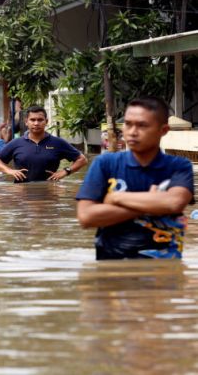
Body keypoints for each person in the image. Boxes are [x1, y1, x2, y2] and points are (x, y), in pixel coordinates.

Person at [76, 96, 194, 260]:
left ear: (163, 130)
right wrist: (155, 202)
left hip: (165, 271)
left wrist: (116, 197)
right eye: (128, 124)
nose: (132, 132)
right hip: (112, 268)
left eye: (142, 125)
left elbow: (174, 203)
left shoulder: (179, 166)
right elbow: (86, 217)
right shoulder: (105, 164)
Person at [0, 105, 87, 182]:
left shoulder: (58, 143)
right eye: (32, 120)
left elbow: (82, 160)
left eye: (40, 120)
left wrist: (65, 171)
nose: (36, 123)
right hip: (21, 195)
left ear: (46, 122)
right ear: (26, 122)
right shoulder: (16, 143)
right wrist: (10, 171)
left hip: (49, 191)